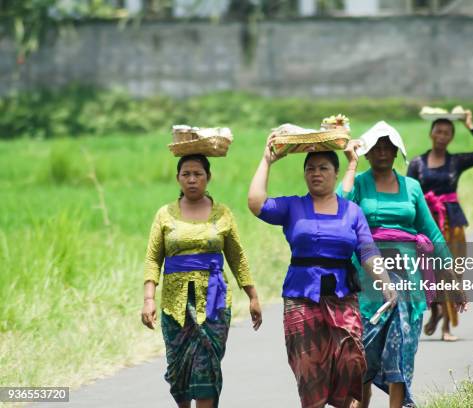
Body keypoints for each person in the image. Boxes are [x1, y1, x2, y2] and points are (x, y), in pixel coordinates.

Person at [248, 135, 397, 408]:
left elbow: (367, 251)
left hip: (342, 296)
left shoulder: (351, 211)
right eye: (310, 168)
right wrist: (266, 161)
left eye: (323, 168)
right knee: (309, 370)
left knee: (352, 359)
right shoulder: (293, 206)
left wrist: (385, 281)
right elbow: (257, 204)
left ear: (335, 173)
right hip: (301, 298)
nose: (316, 173)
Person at [340, 121, 466, 408]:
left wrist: (454, 280)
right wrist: (350, 164)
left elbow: (432, 233)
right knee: (364, 354)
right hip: (369, 278)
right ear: (368, 153)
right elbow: (341, 205)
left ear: (397, 152)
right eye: (377, 147)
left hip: (409, 278)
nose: (383, 152)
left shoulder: (412, 187)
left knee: (400, 351)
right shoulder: (359, 183)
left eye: (389, 147)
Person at [141, 154, 262, 408]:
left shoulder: (222, 214)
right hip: (175, 305)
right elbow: (153, 258)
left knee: (206, 366)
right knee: (179, 371)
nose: (192, 180)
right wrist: (149, 299)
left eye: (198, 174)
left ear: (209, 177)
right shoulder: (165, 215)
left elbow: (237, 256)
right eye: (186, 174)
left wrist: (253, 296)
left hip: (214, 303)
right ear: (178, 178)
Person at [407, 110, 473, 341]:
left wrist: (470, 126)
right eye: (438, 131)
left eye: (447, 132)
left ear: (451, 137)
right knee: (428, 273)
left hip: (453, 222)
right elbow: (408, 194)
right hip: (426, 223)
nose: (442, 136)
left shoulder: (456, 161)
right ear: (431, 133)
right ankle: (435, 311)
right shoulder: (417, 163)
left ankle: (447, 327)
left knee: (452, 272)